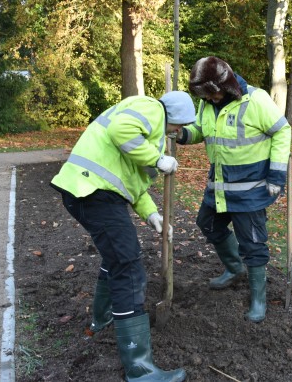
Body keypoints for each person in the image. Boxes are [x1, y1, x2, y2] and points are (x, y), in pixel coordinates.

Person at [50, 91, 195, 382]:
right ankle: (139, 369)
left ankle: (102, 320)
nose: (179, 132)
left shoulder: (149, 136)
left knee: (117, 257)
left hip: (90, 192)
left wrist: (152, 214)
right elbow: (120, 130)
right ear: (175, 118)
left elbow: (133, 183)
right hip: (94, 192)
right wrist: (158, 159)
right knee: (128, 267)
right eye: (180, 126)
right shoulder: (152, 109)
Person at [177, 56, 292, 323]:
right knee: (207, 224)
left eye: (213, 93)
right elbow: (200, 130)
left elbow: (282, 131)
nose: (211, 99)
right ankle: (234, 268)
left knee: (252, 243)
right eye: (205, 95)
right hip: (219, 185)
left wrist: (276, 175)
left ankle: (258, 300)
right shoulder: (206, 103)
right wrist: (182, 135)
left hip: (250, 190)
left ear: (226, 85)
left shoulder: (255, 100)